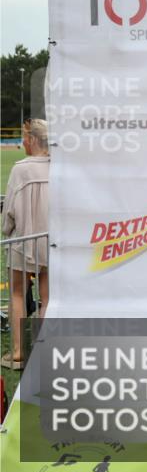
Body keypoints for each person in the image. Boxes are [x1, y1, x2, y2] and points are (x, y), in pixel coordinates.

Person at [1, 119, 51, 369]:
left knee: (17, 294)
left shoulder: (21, 169)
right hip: (53, 242)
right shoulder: (61, 168)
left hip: (23, 241)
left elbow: (9, 211)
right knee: (48, 298)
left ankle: (19, 351)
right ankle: (45, 351)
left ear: (32, 140)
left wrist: (6, 230)